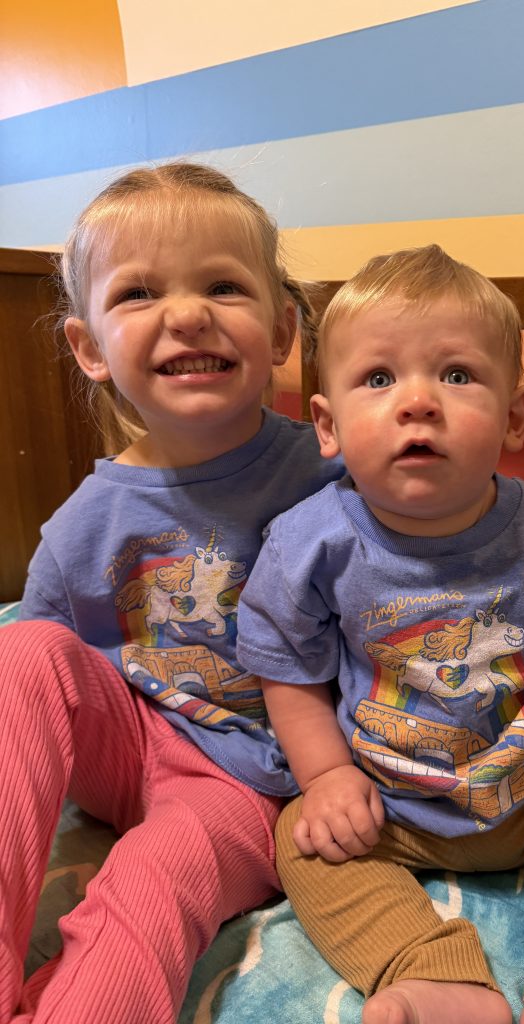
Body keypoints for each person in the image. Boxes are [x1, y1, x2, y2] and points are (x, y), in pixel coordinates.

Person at [236, 244, 524, 1024]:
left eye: (456, 374)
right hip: (393, 801)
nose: (417, 401)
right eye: (378, 379)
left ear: (515, 416)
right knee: (301, 840)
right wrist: (324, 779)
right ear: (328, 425)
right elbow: (284, 668)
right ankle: (431, 973)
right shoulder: (310, 542)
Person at [0, 161, 344, 1024]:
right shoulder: (84, 521)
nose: (187, 313)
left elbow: (441, 586)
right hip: (127, 743)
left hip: (249, 775)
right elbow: (35, 692)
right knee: (23, 647)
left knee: (159, 873)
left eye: (222, 286)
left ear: (281, 331)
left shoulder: (331, 477)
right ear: (90, 350)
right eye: (139, 293)